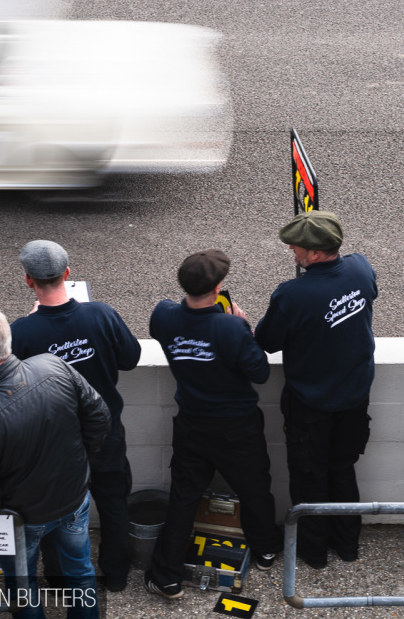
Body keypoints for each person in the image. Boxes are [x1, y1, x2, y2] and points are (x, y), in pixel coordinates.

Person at [143, 250, 282, 600]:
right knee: (254, 488)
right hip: (237, 426)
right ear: (220, 288)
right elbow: (260, 373)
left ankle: (167, 577)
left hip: (191, 423)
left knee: (184, 497)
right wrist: (243, 326)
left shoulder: (163, 316)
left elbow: (174, 322)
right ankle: (265, 550)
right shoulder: (231, 326)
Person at [0, 305, 110, 619]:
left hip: (21, 521)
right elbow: (100, 415)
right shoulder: (53, 365)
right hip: (73, 501)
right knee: (80, 571)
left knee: (21, 584)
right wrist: (81, 461)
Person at [9, 240, 142, 592]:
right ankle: (115, 575)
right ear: (68, 274)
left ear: (28, 281)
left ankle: (58, 578)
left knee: (54, 511)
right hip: (106, 432)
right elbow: (130, 358)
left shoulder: (22, 331)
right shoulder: (101, 314)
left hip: (54, 441)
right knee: (114, 503)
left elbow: (15, 388)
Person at [254, 210, 378, 569]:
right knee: (343, 468)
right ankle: (348, 544)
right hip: (355, 395)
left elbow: (268, 341)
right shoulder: (360, 268)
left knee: (310, 476)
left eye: (297, 247)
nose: (293, 251)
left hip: (311, 403)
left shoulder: (293, 294)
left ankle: (314, 552)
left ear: (315, 254)